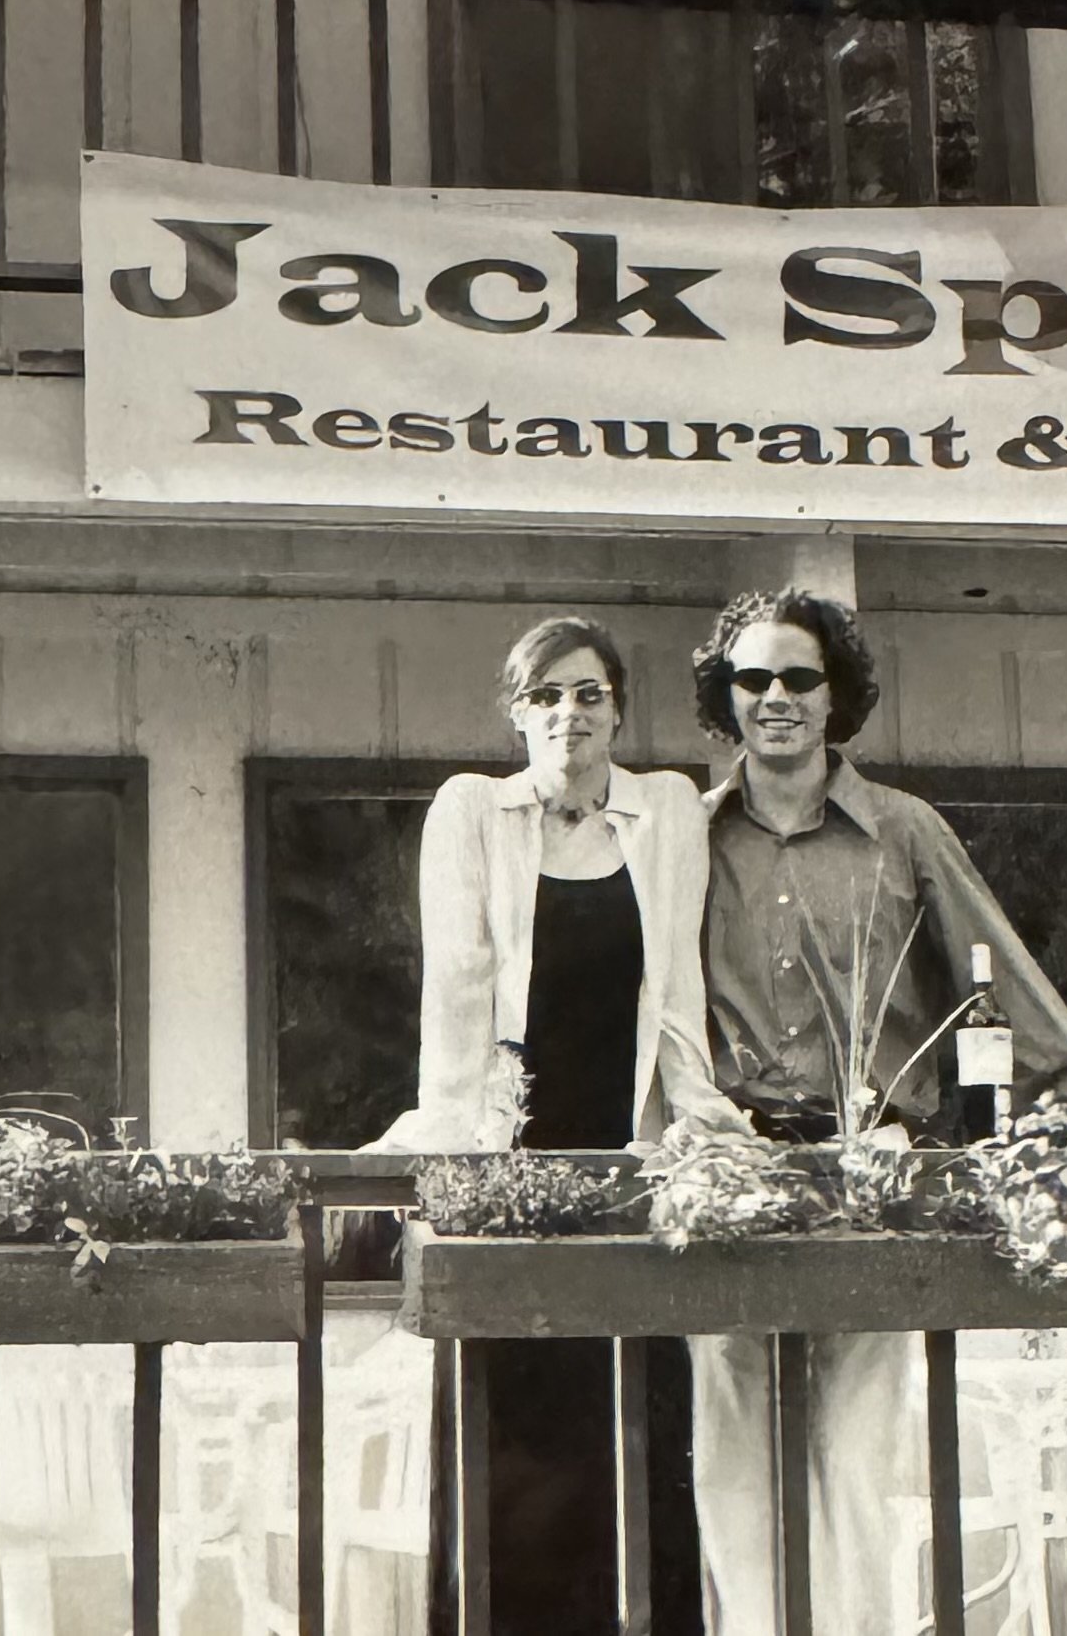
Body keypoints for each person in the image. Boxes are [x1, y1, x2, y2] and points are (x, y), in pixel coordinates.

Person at [683, 587, 1067, 1636]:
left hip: (876, 1179)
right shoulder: (688, 836)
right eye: (754, 680)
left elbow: (1002, 981)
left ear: (837, 697)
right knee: (737, 1470)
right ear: (725, 697)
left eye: (800, 677)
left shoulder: (904, 831)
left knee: (856, 1462)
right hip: (735, 1182)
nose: (776, 698)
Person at [370, 614, 746, 1636]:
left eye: (587, 692)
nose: (568, 712)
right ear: (515, 711)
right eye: (545, 694)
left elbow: (678, 1004)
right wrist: (460, 1180)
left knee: (636, 1450)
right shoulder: (474, 815)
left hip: (633, 1182)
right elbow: (456, 1010)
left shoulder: (668, 812)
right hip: (514, 1182)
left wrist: (707, 1134)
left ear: (618, 707)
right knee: (512, 1465)